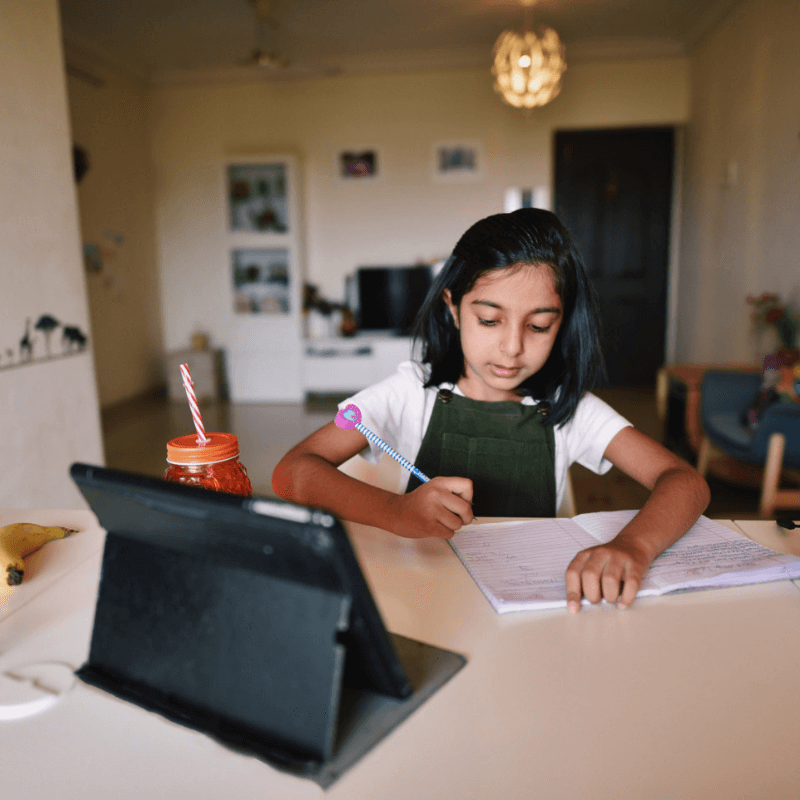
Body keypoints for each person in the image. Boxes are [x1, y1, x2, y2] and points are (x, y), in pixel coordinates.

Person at [273, 208, 710, 612]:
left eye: (539, 325)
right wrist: (397, 512)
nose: (513, 347)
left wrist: (633, 546)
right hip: (425, 601)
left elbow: (686, 482)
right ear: (453, 308)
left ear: (562, 322)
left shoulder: (567, 408)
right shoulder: (409, 392)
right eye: (489, 320)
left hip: (535, 605)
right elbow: (291, 472)